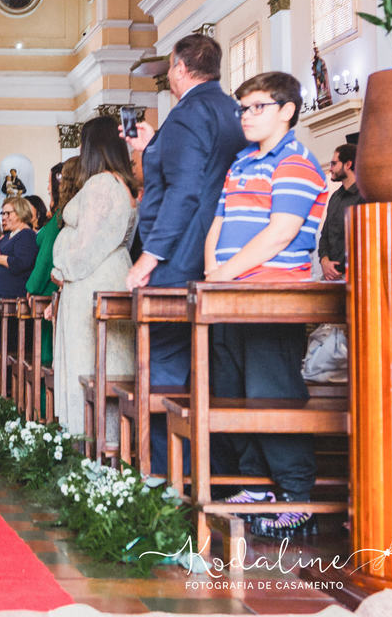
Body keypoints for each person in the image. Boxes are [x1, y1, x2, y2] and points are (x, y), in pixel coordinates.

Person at [203, 72, 328, 538]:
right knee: (235, 392)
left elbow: (281, 232)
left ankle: (298, 495)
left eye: (258, 107)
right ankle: (256, 484)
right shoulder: (241, 162)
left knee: (271, 393)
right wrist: (213, 273)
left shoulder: (296, 162)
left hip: (272, 297)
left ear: (287, 110)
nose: (247, 116)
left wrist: (224, 274)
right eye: (244, 107)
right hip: (230, 294)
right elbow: (218, 221)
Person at [123, 33, 247, 473]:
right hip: (219, 256)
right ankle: (215, 469)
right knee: (216, 370)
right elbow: (203, 171)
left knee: (165, 370)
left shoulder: (188, 114)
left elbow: (185, 191)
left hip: (180, 259)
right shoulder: (230, 110)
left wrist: (149, 256)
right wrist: (152, 146)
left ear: (179, 68)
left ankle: (167, 476)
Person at [50, 117, 138, 436]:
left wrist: (61, 269)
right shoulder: (121, 184)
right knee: (105, 359)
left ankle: (91, 438)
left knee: (89, 360)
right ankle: (105, 439)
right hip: (108, 273)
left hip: (90, 279)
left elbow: (87, 245)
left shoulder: (101, 184)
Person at [26, 156, 80, 369]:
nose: (48, 188)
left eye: (50, 183)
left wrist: (32, 287)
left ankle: (45, 391)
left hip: (48, 290)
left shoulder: (60, 217)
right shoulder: (60, 215)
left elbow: (46, 257)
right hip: (52, 288)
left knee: (47, 354)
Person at [317, 143, 361, 281]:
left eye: (334, 163)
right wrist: (324, 261)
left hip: (355, 276)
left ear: (348, 165)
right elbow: (325, 235)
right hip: (331, 275)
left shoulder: (365, 196)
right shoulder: (335, 197)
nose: (330, 168)